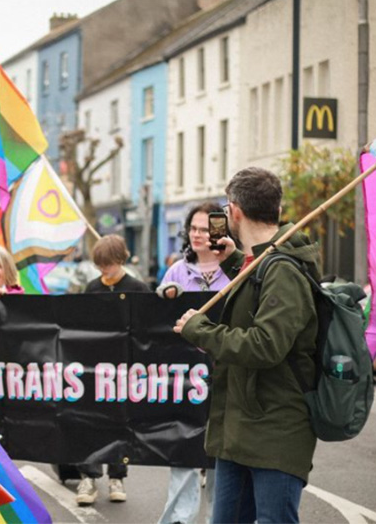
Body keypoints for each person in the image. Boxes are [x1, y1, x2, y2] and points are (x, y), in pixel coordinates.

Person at [174, 167, 321, 523]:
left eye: (226, 210)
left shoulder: (284, 268)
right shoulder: (262, 260)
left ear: (235, 211)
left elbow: (266, 345)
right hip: (239, 429)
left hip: (273, 433)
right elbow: (258, 287)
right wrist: (235, 261)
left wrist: (201, 330)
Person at [155, 202, 229, 524]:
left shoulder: (236, 269)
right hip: (185, 379)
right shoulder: (176, 271)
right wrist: (164, 294)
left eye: (205, 229)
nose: (197, 235)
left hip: (224, 374)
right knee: (184, 452)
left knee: (221, 457)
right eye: (193, 228)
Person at [72, 234, 150, 506]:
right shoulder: (92, 288)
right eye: (100, 265)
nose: (105, 270)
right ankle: (89, 476)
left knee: (120, 421)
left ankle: (117, 475)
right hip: (95, 368)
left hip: (124, 370)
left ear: (121, 260)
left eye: (109, 264)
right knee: (89, 421)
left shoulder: (138, 288)